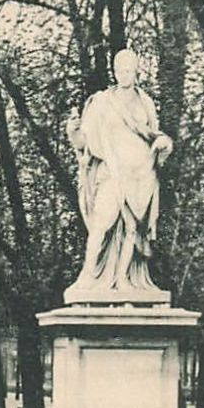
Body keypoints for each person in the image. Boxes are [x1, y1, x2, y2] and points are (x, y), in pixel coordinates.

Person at [66, 48, 174, 300]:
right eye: (120, 70)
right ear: (114, 72)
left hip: (141, 174)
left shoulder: (145, 102)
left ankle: (125, 279)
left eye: (129, 70)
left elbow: (154, 135)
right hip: (113, 172)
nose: (124, 75)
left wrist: (165, 144)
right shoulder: (103, 101)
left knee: (132, 229)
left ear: (136, 72)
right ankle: (87, 276)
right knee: (102, 224)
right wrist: (72, 132)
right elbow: (84, 140)